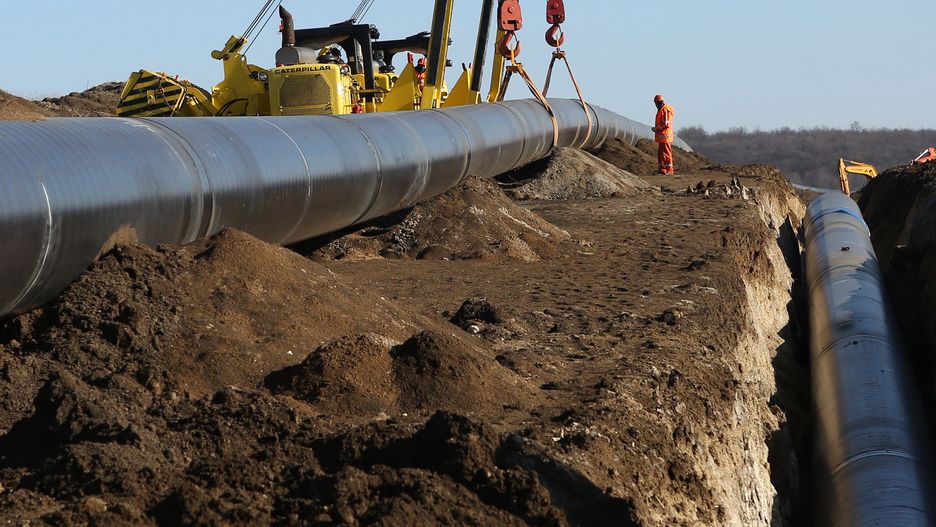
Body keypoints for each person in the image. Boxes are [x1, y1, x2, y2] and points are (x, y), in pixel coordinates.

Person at [651, 95, 675, 175]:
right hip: (662, 137)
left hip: (666, 137)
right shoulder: (661, 110)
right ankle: (662, 170)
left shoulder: (666, 110)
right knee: (661, 154)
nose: (657, 105)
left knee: (666, 153)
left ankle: (669, 170)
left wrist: (657, 129)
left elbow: (666, 124)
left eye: (658, 103)